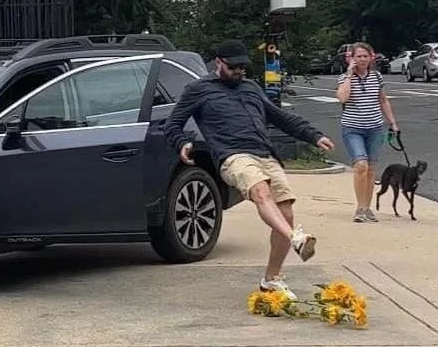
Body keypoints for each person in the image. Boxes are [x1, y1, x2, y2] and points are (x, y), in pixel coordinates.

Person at [164, 40, 335, 299]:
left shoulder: (251, 88)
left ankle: (271, 279)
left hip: (264, 153)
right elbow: (173, 124)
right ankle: (296, 238)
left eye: (243, 66)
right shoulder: (198, 90)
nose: (239, 71)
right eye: (234, 67)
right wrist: (182, 142)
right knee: (261, 192)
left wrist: (312, 135)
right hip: (232, 155)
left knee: (286, 211)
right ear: (218, 62)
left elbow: (279, 117)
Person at [335, 42, 399, 222]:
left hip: (375, 128)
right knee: (360, 165)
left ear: (371, 58)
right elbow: (342, 97)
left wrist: (393, 123)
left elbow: (383, 100)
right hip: (352, 127)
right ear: (352, 58)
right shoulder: (344, 78)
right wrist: (349, 73)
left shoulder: (377, 77)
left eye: (365, 56)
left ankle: (367, 207)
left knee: (371, 168)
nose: (362, 59)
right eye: (358, 56)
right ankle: (359, 208)